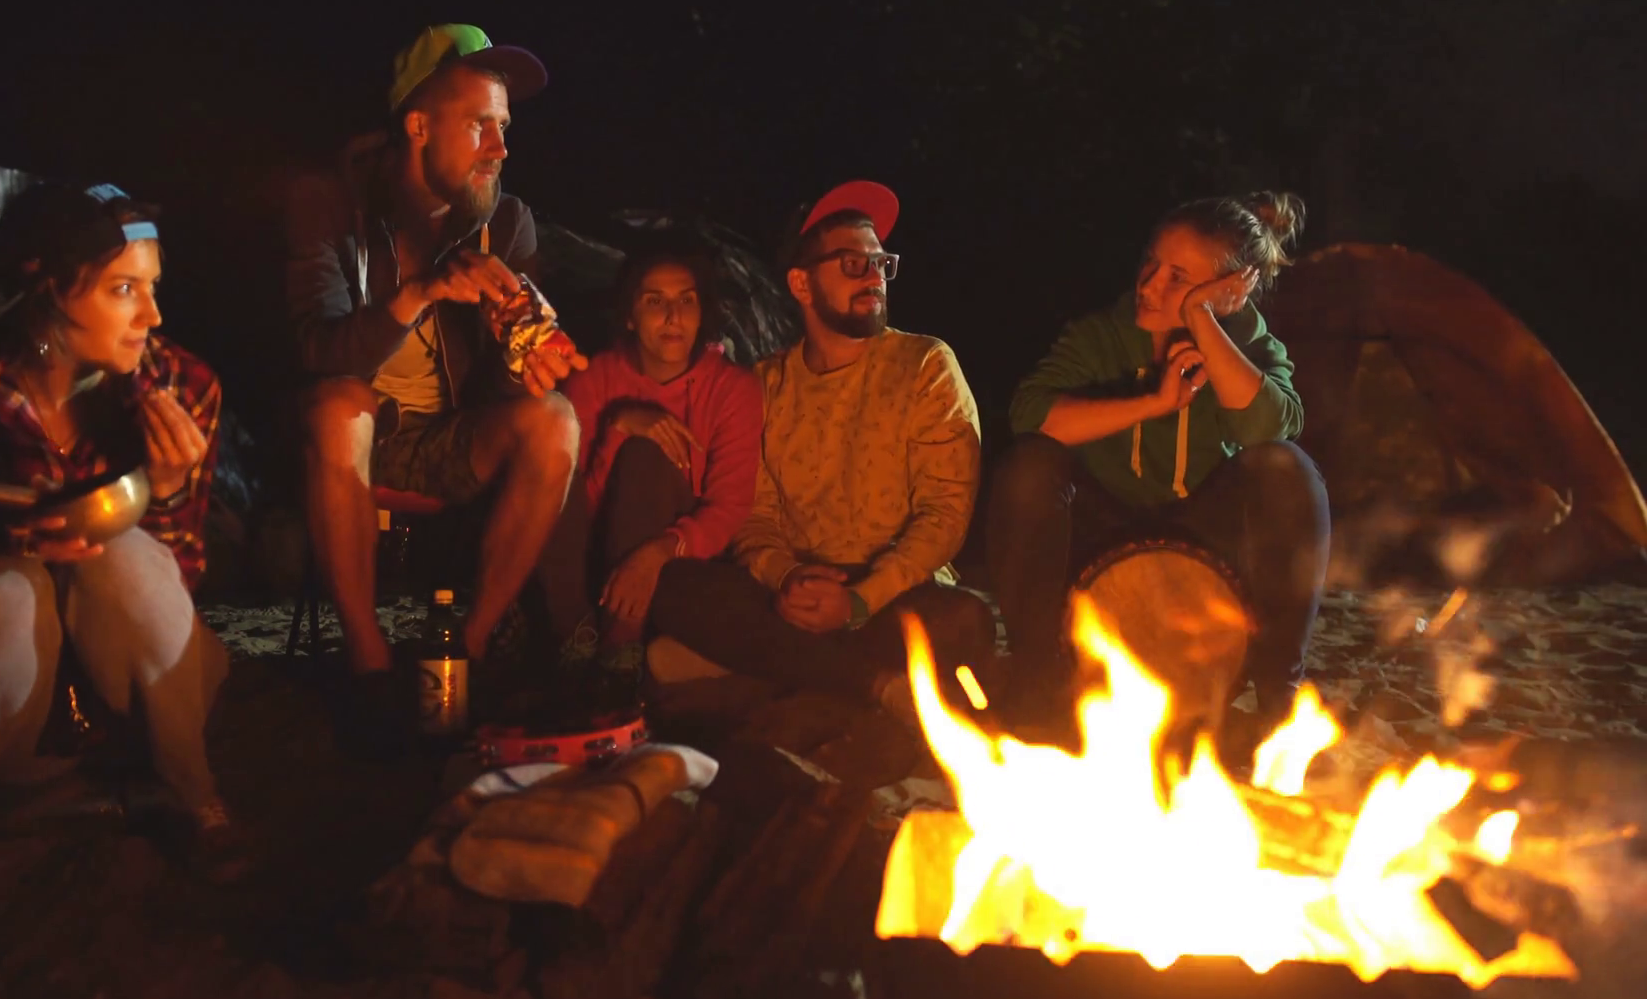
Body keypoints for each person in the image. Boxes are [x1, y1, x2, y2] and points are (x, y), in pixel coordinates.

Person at [0, 181, 243, 950]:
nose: (152, 315)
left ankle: (193, 794)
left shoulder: (181, 385)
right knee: (2, 588)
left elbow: (181, 572)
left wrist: (167, 489)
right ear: (46, 286)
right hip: (1, 700)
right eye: (124, 289)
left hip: (133, 706)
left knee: (128, 555)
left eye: (153, 287)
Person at [285, 24, 585, 701]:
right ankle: (369, 669)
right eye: (480, 125)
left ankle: (464, 652)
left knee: (555, 420)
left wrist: (521, 350)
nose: (500, 148)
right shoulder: (329, 202)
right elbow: (318, 352)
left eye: (504, 127)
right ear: (418, 125)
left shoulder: (507, 222)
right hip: (350, 439)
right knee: (339, 406)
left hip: (448, 439)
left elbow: (499, 389)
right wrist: (422, 291)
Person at [985, 191, 1328, 732]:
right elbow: (1030, 414)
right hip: (1104, 530)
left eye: (1178, 278)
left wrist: (1200, 319)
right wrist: (1154, 403)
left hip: (1205, 539)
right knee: (1030, 466)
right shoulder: (1103, 335)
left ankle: (1277, 695)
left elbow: (1270, 428)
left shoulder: (1250, 345)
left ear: (1231, 291)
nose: (1148, 286)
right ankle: (1036, 675)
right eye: (1151, 263)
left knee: (1288, 469)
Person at [648, 182, 994, 711]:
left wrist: (856, 603)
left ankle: (773, 664)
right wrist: (787, 577)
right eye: (853, 264)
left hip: (891, 594)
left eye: (881, 263)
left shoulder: (924, 364)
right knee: (674, 585)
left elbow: (945, 516)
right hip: (792, 589)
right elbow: (753, 514)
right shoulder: (763, 385)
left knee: (965, 621)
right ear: (801, 283)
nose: (874, 277)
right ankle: (877, 685)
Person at [536, 244, 764, 700]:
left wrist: (660, 551)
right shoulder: (596, 377)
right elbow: (572, 502)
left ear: (702, 313)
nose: (673, 316)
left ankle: (621, 650)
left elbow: (729, 506)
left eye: (686, 300)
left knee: (647, 459)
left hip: (679, 555)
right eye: (655, 301)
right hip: (592, 551)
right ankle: (573, 638)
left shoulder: (733, 389)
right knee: (548, 457)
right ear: (630, 316)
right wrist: (620, 427)